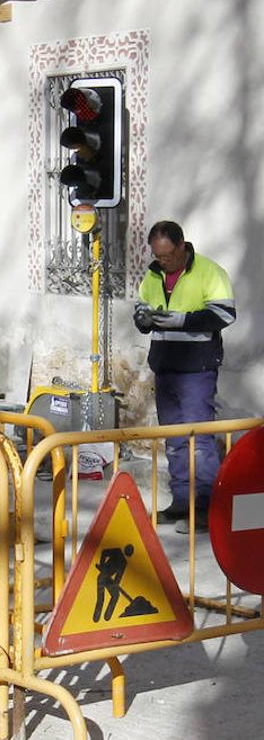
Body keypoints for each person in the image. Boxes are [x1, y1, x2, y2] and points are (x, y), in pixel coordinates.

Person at [134, 220, 235, 533]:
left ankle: (204, 507)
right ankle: (181, 502)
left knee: (200, 440)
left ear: (181, 247)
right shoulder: (153, 274)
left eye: (168, 256)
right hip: (165, 368)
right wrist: (142, 317)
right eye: (158, 256)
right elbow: (142, 309)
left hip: (197, 369)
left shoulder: (209, 271)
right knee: (175, 440)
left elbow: (224, 314)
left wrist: (180, 320)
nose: (163, 262)